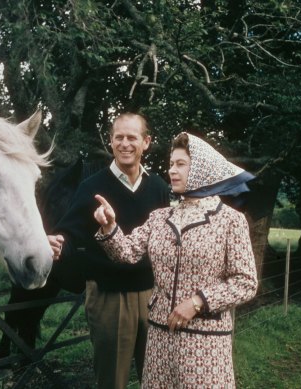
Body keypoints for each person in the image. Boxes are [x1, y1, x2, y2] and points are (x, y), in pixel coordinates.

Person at [92, 131, 258, 388]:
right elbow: (126, 253)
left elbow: (245, 282)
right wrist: (110, 226)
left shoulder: (230, 220)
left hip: (205, 343)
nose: (172, 171)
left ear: (202, 169)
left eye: (181, 164)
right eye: (171, 164)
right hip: (160, 338)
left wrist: (198, 302)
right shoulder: (159, 217)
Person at [48, 113, 170, 389]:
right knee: (112, 381)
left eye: (132, 137)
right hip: (109, 297)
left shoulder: (159, 187)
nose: (125, 144)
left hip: (153, 296)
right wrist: (56, 242)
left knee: (157, 378)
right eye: (119, 137)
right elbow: (69, 232)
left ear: (146, 142)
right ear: (111, 142)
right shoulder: (92, 187)